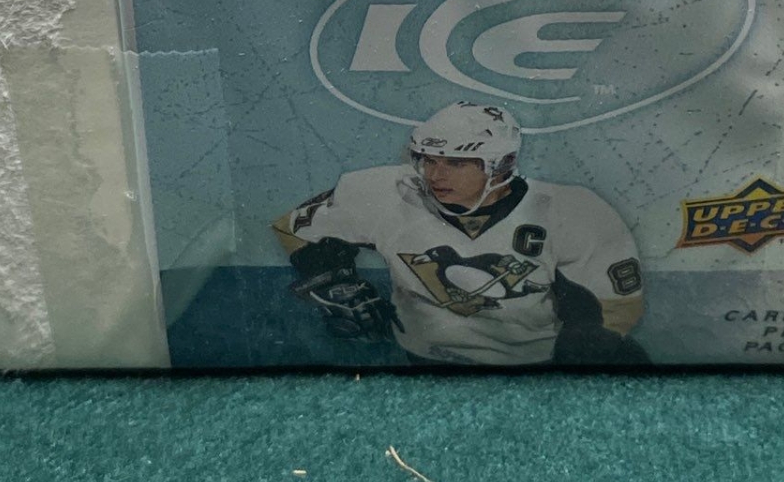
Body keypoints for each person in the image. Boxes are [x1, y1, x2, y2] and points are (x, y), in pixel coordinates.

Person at [273, 101, 647, 366]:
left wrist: (586, 340)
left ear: (502, 165)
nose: (435, 175)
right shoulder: (391, 193)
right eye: (428, 160)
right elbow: (295, 227)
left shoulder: (570, 210)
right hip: (424, 363)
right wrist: (335, 282)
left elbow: (618, 305)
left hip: (535, 366)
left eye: (455, 163)